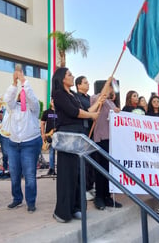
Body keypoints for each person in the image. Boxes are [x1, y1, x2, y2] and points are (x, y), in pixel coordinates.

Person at [51, 67, 101, 223]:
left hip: (79, 136)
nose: (72, 76)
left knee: (78, 173)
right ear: (62, 78)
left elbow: (84, 110)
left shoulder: (72, 95)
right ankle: (63, 212)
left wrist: (99, 102)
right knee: (67, 174)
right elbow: (74, 112)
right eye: (69, 75)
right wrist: (92, 115)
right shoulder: (58, 94)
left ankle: (77, 207)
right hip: (68, 136)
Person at [3, 69, 42, 213]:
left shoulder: (34, 108)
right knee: (14, 173)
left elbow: (31, 96)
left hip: (30, 143)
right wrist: (14, 82)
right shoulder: (12, 107)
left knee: (29, 174)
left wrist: (24, 81)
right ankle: (17, 199)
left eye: (25, 93)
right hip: (13, 144)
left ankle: (31, 202)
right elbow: (8, 98)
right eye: (21, 93)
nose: (23, 95)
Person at [90, 78, 122, 210]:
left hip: (111, 140)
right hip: (101, 138)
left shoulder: (111, 103)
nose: (111, 90)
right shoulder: (95, 98)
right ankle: (99, 197)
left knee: (109, 170)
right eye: (109, 87)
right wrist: (109, 81)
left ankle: (107, 196)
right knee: (100, 169)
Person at [75, 75, 95, 200]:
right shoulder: (77, 98)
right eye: (85, 82)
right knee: (85, 162)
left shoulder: (91, 98)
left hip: (94, 133)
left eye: (88, 82)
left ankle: (91, 186)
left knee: (93, 160)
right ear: (78, 85)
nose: (88, 84)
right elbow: (86, 112)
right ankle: (85, 188)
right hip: (85, 131)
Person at [41, 98, 57, 175]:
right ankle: (51, 168)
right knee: (51, 152)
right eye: (52, 101)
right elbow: (42, 123)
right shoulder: (46, 112)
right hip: (49, 135)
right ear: (50, 102)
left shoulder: (60, 112)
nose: (54, 103)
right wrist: (43, 134)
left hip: (58, 135)